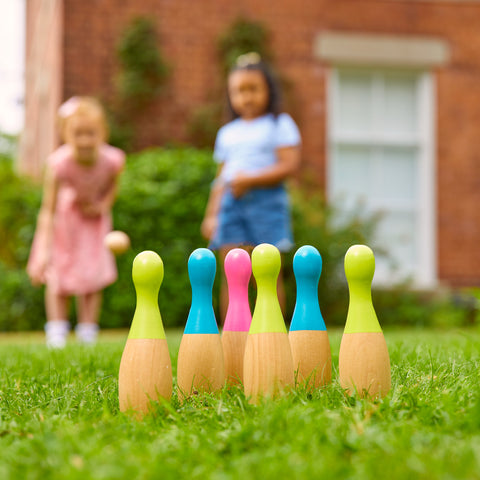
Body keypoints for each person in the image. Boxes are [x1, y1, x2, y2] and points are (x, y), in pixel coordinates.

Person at [201, 53, 301, 320]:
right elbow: (221, 179)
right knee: (232, 272)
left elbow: (289, 165)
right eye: (238, 91)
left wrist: (250, 179)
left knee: (266, 271)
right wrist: (211, 214)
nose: (246, 97)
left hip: (266, 204)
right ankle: (232, 334)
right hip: (231, 205)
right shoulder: (227, 133)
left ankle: (273, 332)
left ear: (268, 89)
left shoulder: (279, 124)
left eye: (253, 89)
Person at [27, 96, 125, 347]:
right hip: (65, 224)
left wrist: (102, 205)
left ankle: (87, 332)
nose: (84, 140)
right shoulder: (59, 164)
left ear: (103, 132)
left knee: (92, 276)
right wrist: (42, 250)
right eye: (77, 133)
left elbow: (113, 187)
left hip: (94, 225)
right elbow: (48, 210)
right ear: (65, 134)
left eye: (90, 133)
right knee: (59, 275)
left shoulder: (112, 160)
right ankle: (57, 333)